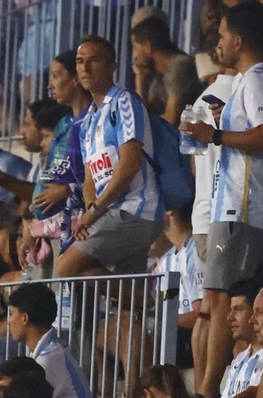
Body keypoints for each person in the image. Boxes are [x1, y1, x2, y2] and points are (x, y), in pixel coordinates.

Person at [184, 3, 263, 398]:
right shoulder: (251, 81)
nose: (219, 42)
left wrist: (214, 135)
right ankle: (219, 388)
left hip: (243, 209)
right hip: (233, 208)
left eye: (223, 35)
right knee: (221, 300)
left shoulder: (259, 78)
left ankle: (208, 392)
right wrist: (223, 119)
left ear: (240, 40)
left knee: (222, 300)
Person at [57, 35, 164, 278]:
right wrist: (90, 212)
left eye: (93, 60)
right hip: (108, 212)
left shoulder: (124, 101)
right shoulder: (87, 122)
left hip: (136, 210)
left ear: (112, 67)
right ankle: (146, 299)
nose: (85, 67)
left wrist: (93, 212)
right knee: (97, 281)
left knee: (64, 268)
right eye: (80, 61)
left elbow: (129, 164)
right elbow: (90, 179)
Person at [5, 282, 97, 398]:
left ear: (25, 318)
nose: (8, 322)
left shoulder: (49, 358)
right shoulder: (49, 350)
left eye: (11, 314)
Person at [131, 16, 202, 124]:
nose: (135, 56)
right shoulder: (156, 74)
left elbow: (171, 119)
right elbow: (141, 115)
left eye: (136, 47)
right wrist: (140, 80)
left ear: (148, 46)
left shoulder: (181, 67)